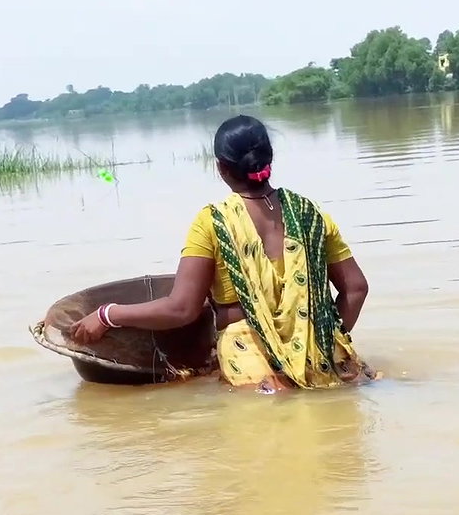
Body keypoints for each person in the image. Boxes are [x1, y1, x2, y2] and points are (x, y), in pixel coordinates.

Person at [69, 115, 374, 392]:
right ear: (269, 159)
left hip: (252, 355)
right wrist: (313, 338)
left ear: (221, 167)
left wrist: (109, 314)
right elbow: (356, 289)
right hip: (325, 355)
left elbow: (181, 309)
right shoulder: (311, 214)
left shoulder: (213, 222)